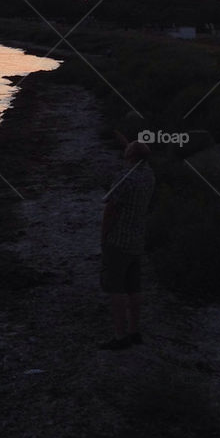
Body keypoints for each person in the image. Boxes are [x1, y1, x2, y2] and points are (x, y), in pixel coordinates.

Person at [98, 137, 155, 350]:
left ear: (130, 156)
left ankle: (120, 337)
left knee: (116, 289)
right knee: (134, 287)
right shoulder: (149, 175)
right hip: (137, 239)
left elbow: (110, 211)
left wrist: (103, 237)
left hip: (119, 240)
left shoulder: (124, 179)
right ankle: (134, 331)